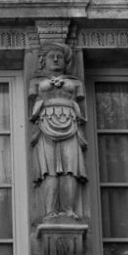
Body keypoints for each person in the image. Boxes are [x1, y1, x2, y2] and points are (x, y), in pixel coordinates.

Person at [29, 43, 86, 220]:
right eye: (51, 56)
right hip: (46, 124)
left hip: (70, 123)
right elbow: (33, 96)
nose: (55, 59)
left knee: (71, 169)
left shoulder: (75, 82)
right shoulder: (35, 82)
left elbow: (80, 96)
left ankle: (69, 210)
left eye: (59, 56)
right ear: (42, 60)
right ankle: (50, 211)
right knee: (49, 170)